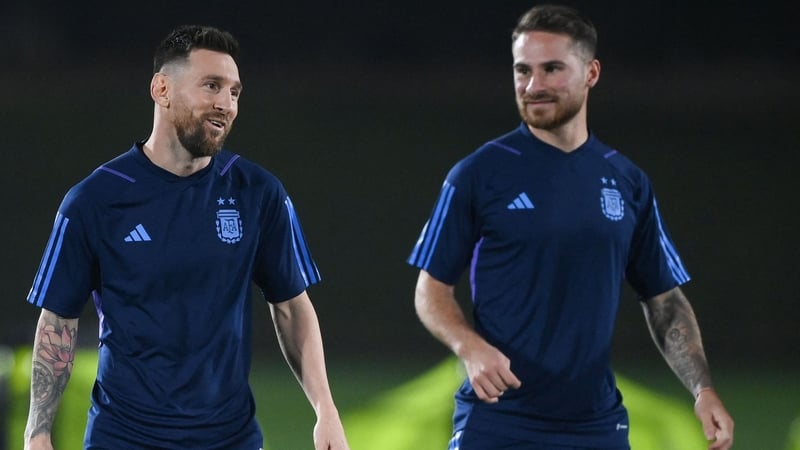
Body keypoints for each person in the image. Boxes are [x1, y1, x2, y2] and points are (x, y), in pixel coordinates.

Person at [407, 4, 734, 450]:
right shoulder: (477, 175)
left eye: (552, 69)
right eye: (523, 70)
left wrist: (703, 390)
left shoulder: (627, 181)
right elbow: (430, 289)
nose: (533, 85)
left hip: (596, 426)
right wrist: (469, 347)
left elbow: (664, 300)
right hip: (498, 420)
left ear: (591, 73)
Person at [23, 25, 349, 450]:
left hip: (230, 438)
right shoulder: (94, 200)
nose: (225, 104)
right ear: (162, 89)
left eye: (234, 92)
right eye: (211, 86)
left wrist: (326, 409)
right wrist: (38, 432)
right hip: (124, 438)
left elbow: (291, 306)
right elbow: (58, 322)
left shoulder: (257, 193)